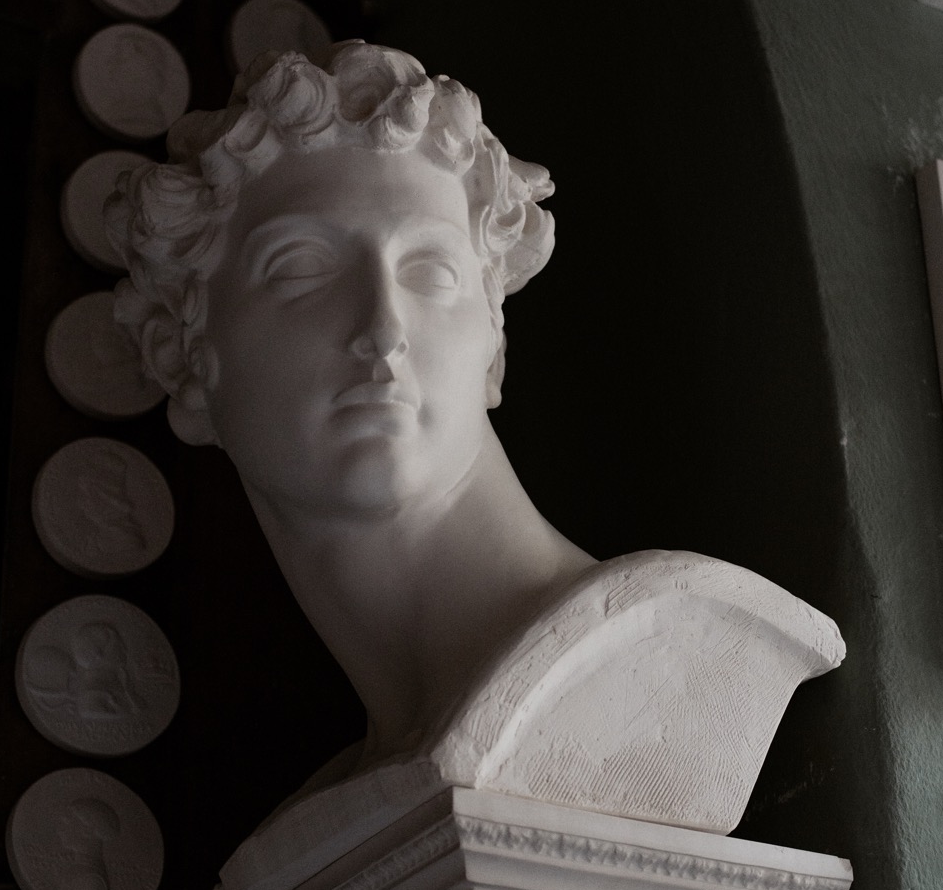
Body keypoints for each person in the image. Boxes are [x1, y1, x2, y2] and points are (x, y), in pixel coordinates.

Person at [110, 41, 592, 766]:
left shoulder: (668, 658)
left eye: (431, 272)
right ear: (182, 356)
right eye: (303, 267)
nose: (382, 329)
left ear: (493, 351)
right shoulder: (352, 792)